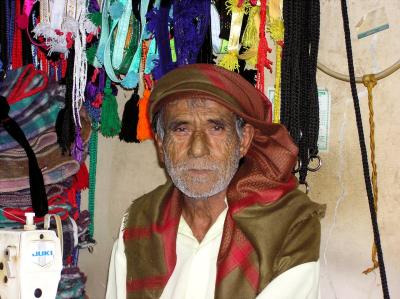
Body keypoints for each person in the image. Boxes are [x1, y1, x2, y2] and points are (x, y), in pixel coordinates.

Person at [106, 64, 325, 299]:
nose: (198, 149)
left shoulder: (288, 224)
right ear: (161, 144)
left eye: (216, 128)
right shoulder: (139, 220)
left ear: (244, 140)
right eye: (181, 129)